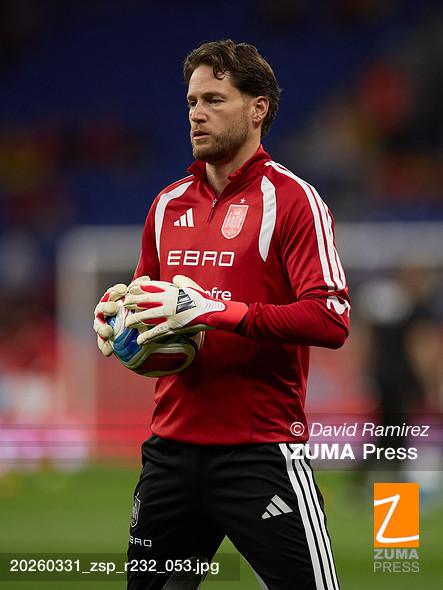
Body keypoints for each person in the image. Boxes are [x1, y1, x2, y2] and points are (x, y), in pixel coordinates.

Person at [94, 39, 350, 590]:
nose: (196, 113)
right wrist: (119, 319)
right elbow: (147, 301)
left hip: (258, 454)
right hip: (169, 454)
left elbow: (330, 319)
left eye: (214, 99)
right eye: (191, 101)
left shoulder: (295, 201)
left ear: (258, 109)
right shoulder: (167, 205)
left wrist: (213, 311)